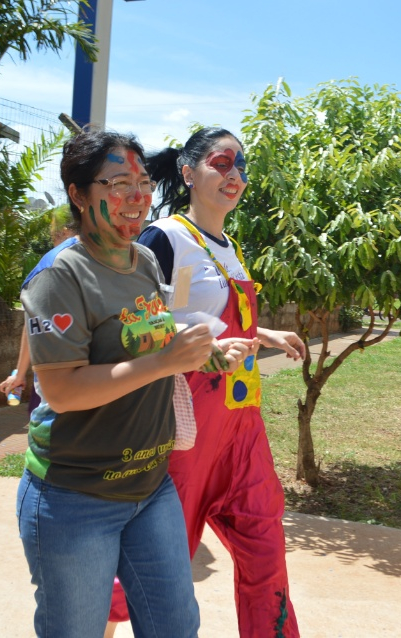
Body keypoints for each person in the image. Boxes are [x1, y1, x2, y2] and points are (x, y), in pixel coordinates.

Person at [16, 128, 253, 638]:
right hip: (75, 495)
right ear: (79, 195)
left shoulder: (144, 260)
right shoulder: (60, 276)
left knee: (175, 625)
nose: (137, 196)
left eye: (143, 181)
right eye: (118, 182)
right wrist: (168, 361)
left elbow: (150, 343)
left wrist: (208, 354)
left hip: (151, 484)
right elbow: (60, 390)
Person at [133, 127, 306, 637]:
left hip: (241, 424)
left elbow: (212, 317)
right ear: (188, 172)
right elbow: (136, 327)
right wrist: (206, 353)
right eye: (221, 162)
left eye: (240, 166)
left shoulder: (229, 246)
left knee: (265, 550)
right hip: (186, 428)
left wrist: (265, 334)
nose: (235, 176)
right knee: (157, 565)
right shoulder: (162, 239)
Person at [0, 205, 77, 413]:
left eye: (54, 236)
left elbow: (33, 320)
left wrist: (19, 373)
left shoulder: (52, 262)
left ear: (66, 231)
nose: (54, 241)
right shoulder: (109, 255)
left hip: (56, 379)